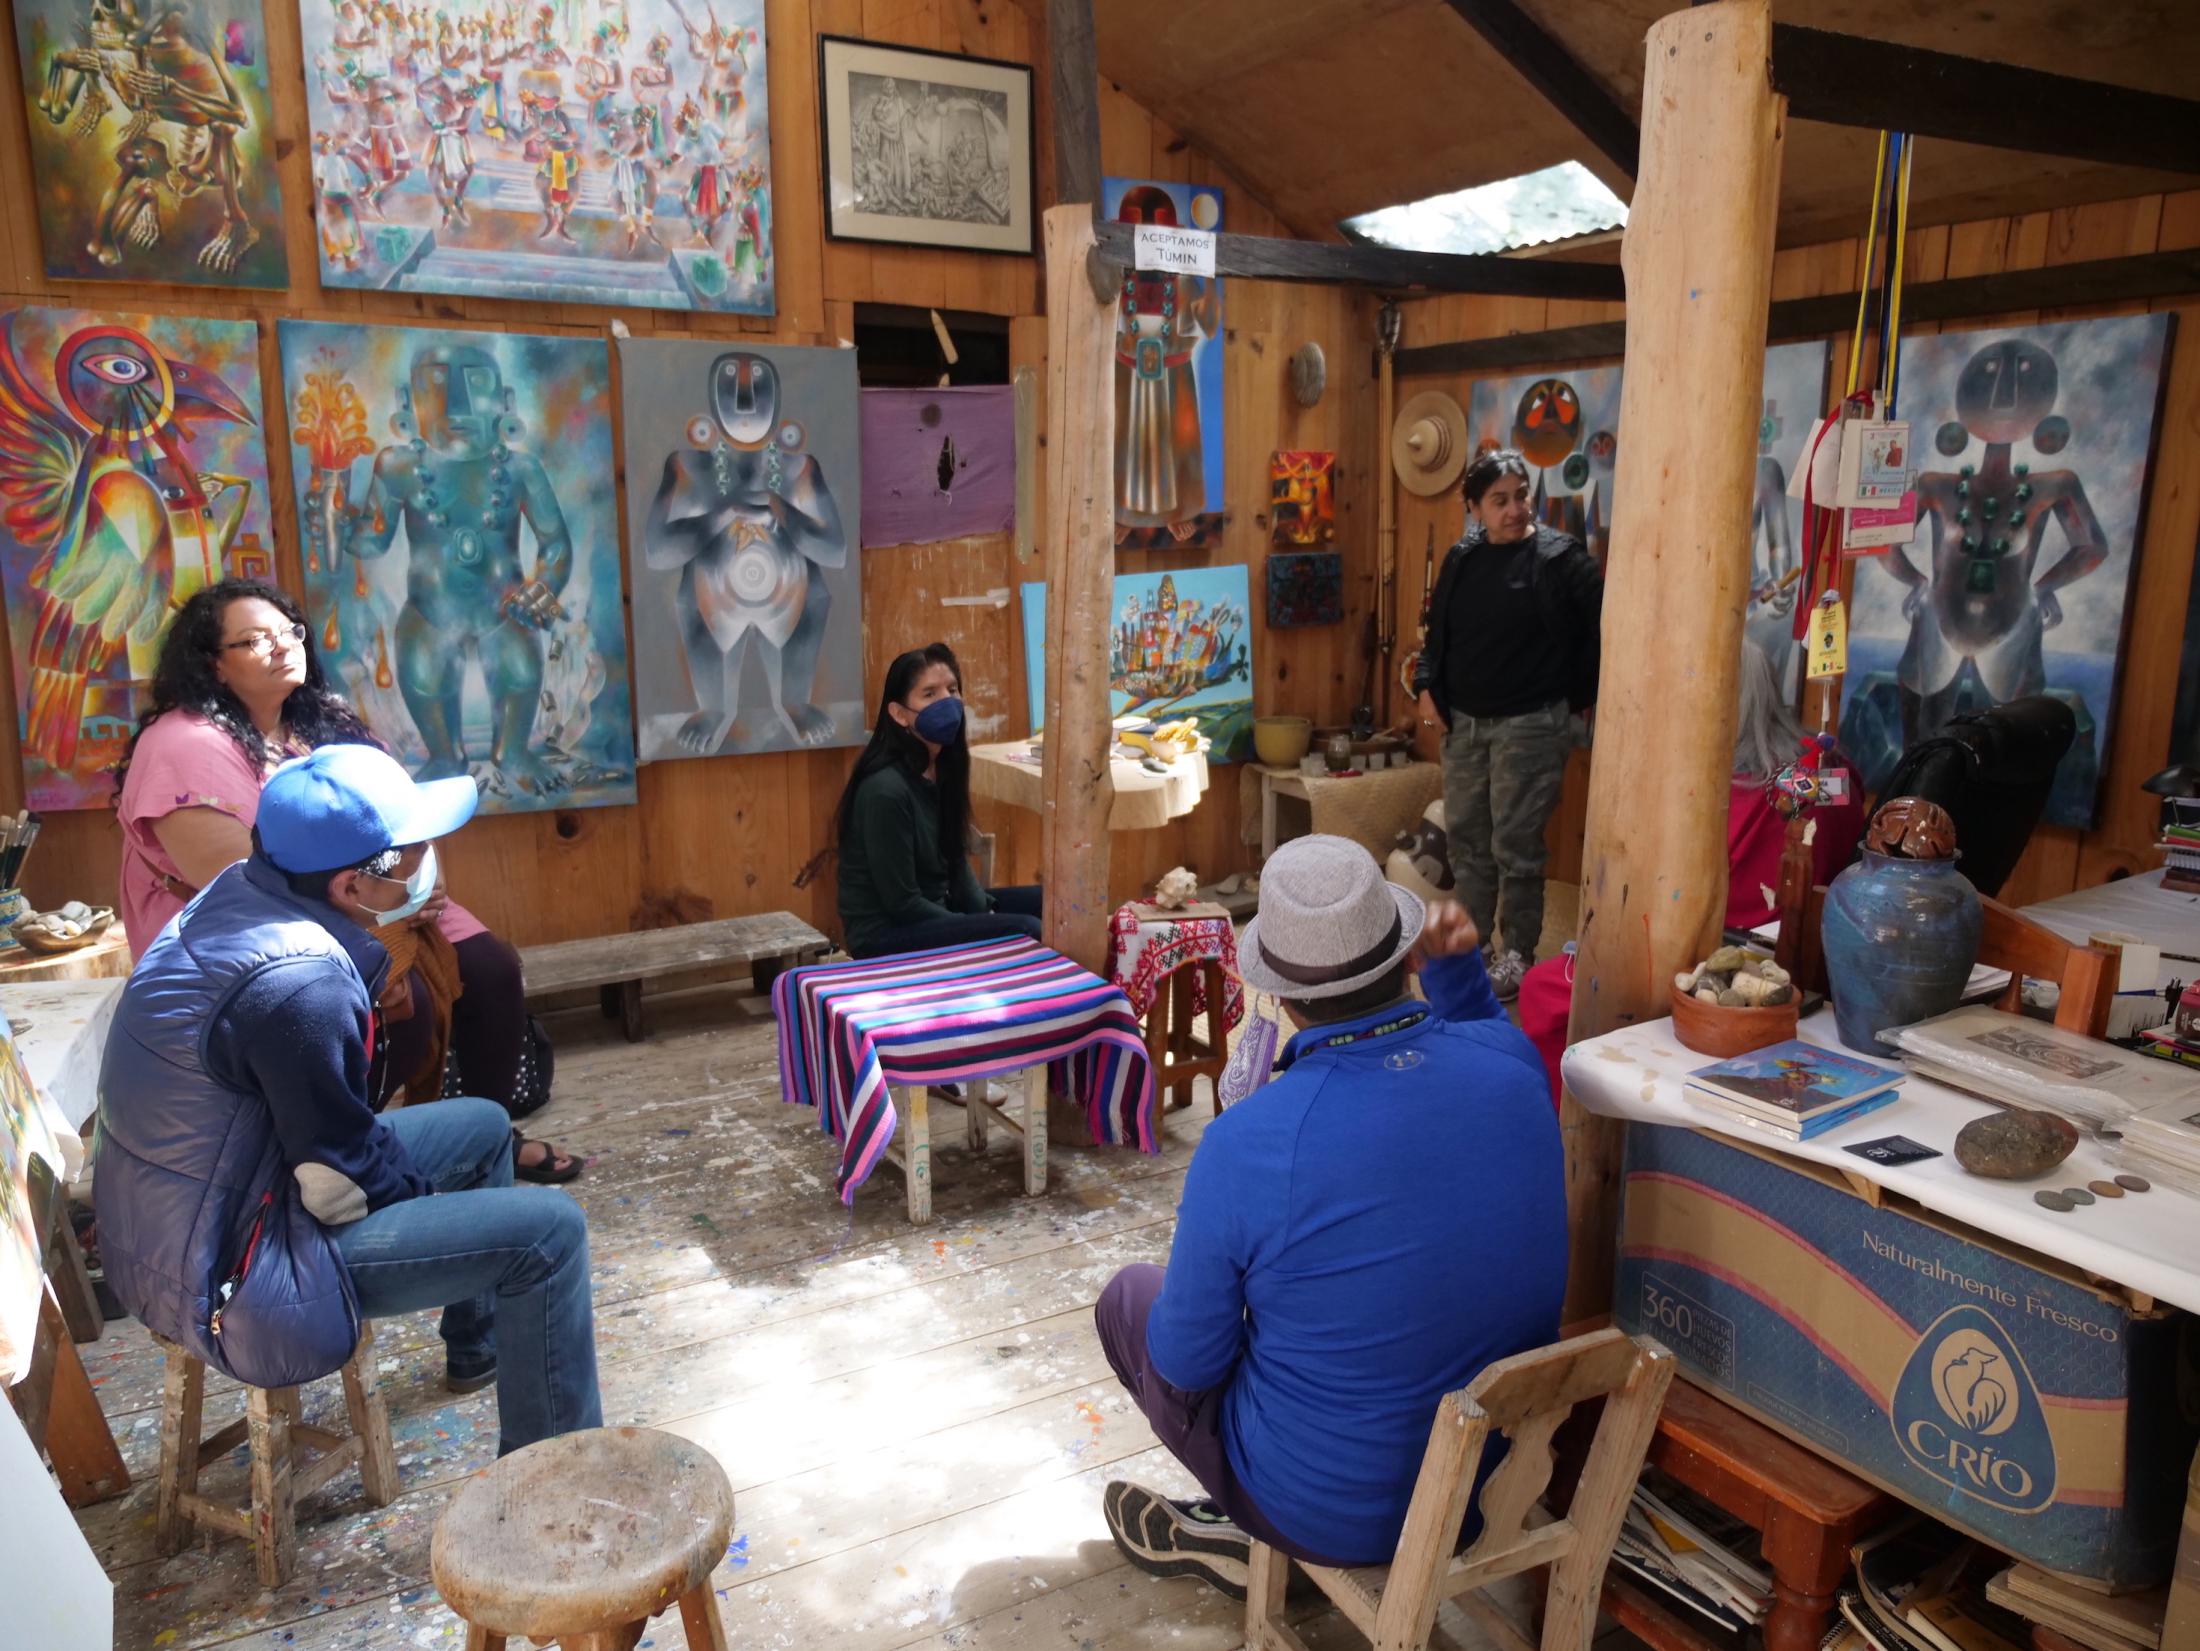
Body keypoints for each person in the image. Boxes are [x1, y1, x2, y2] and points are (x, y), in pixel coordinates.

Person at [96, 745, 601, 1451]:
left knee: (485, 1126)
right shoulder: (299, 980)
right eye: (414, 851)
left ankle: (476, 1345)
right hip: (235, 1267)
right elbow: (337, 1177)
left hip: (180, 1215)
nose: (429, 863)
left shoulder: (242, 893)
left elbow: (327, 1132)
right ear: (350, 886)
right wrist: (422, 1195)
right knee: (549, 1232)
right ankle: (556, 1468)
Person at [1096, 835, 1566, 1592]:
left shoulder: (1250, 1141)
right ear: (1407, 953)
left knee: (1130, 1300)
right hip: (1503, 1477)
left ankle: (1248, 1522)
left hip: (1338, 1513)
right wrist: (1455, 971)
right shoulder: (1513, 1066)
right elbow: (1478, 1035)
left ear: (1278, 995)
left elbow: (1188, 1363)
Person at [113, 579, 578, 1181]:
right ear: (213, 666)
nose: (282, 647)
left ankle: (485, 1137)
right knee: (399, 1012)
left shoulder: (319, 718)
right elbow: (243, 883)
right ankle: (357, 1158)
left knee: (490, 968)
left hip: (378, 894)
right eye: (255, 640)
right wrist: (392, 905)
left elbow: (404, 815)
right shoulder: (183, 742)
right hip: (268, 929)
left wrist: (422, 881)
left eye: (289, 632)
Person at [1514, 640, 1868, 1102]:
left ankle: (1569, 1119)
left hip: (1733, 956)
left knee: (1547, 989)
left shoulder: (1790, 774)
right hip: (1761, 951)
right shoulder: (1825, 767)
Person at [1413, 448, 1604, 1001]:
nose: (1516, 508)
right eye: (1500, 500)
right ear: (1474, 507)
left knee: (1515, 845)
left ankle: (1519, 953)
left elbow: (1600, 636)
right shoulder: (1462, 559)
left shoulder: (1563, 560)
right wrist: (1428, 688)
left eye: (1522, 496)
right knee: (1468, 841)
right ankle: (1477, 949)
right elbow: (1437, 636)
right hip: (1466, 725)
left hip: (1532, 724)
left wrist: (1580, 703)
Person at [833, 643, 1042, 959]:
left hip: (936, 909)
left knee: (1054, 902)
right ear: (900, 714)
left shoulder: (943, 766)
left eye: (952, 689)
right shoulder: (885, 790)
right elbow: (902, 903)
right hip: (886, 933)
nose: (947, 701)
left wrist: (984, 914)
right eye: (929, 694)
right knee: (1026, 931)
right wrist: (979, 927)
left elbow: (955, 859)